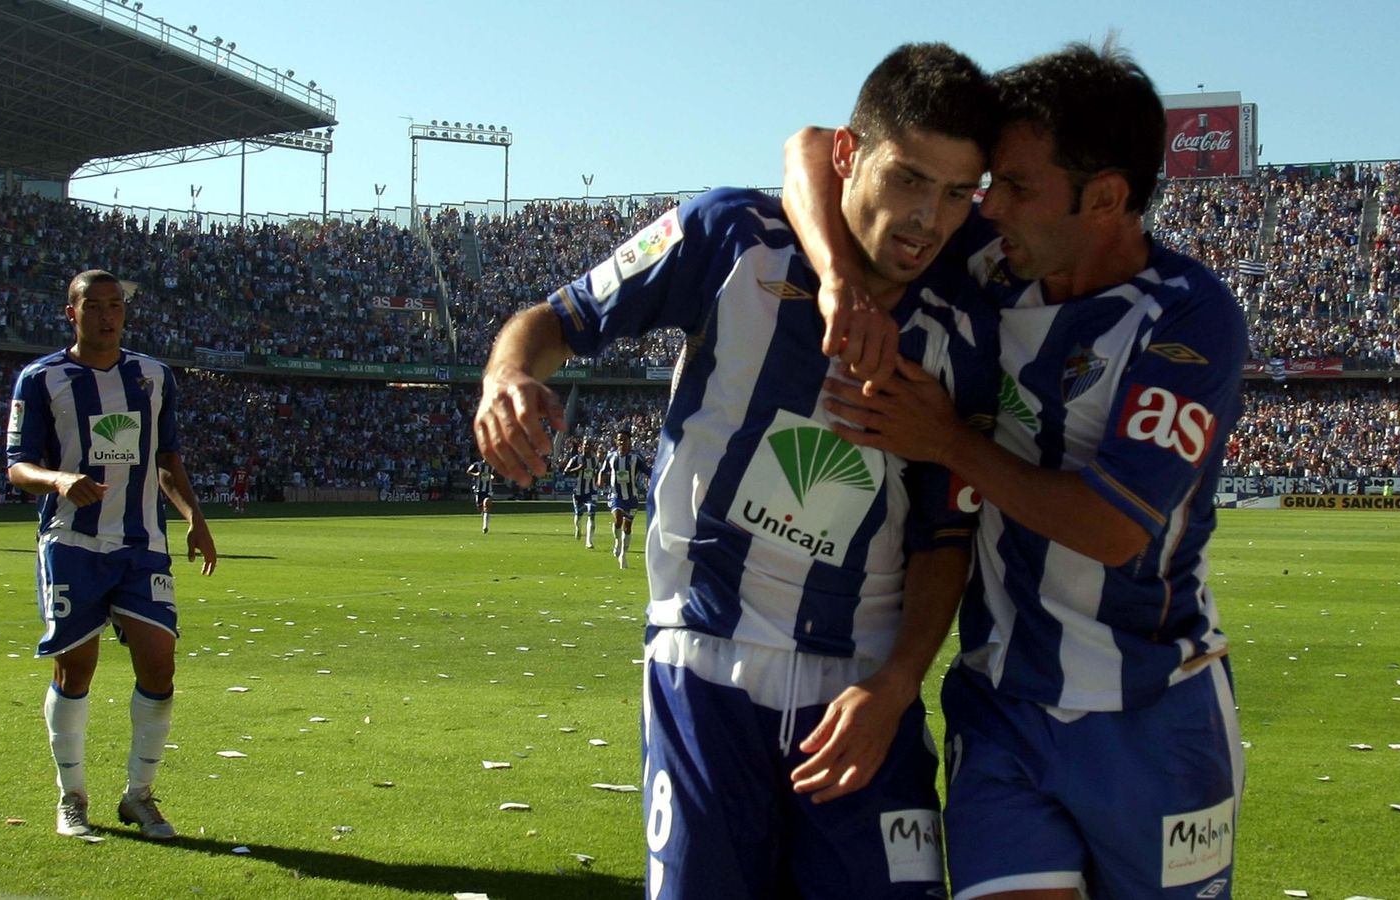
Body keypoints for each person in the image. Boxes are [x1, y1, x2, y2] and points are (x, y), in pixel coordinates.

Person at [474, 43, 1000, 900]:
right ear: (847, 155)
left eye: (954, 194)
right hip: (705, 666)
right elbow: (554, 318)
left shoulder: (967, 325)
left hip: (862, 690)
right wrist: (508, 375)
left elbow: (947, 534)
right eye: (907, 179)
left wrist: (899, 683)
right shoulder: (729, 236)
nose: (927, 219)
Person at [783, 41, 1246, 900]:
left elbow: (1113, 528)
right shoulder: (992, 269)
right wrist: (841, 281)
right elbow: (812, 147)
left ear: (1104, 198)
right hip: (1001, 709)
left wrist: (950, 443)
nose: (988, 209)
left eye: (1019, 188)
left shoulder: (1189, 318)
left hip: (1156, 714)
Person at [6, 269, 217, 841]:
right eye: (93, 305)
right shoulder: (41, 379)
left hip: (141, 543)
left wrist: (194, 517)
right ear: (70, 313)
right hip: (72, 541)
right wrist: (57, 480)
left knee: (160, 664)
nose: (106, 315)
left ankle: (139, 796)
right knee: (76, 668)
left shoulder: (153, 376)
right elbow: (16, 465)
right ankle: (71, 795)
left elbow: (166, 459)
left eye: (115, 305)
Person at [596, 429, 648, 569]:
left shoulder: (635, 458)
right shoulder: (611, 456)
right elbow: (603, 470)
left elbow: (647, 471)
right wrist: (600, 479)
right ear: (615, 441)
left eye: (624, 439)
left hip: (631, 497)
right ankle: (617, 542)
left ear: (629, 441)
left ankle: (623, 555)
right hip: (616, 496)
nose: (621, 442)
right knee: (618, 518)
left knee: (627, 527)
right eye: (619, 439)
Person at [563, 436, 599, 548]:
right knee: (578, 516)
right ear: (581, 446)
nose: (587, 446)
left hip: (591, 492)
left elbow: (598, 472)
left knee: (592, 514)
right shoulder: (575, 459)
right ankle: (578, 529)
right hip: (578, 493)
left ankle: (589, 541)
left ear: (592, 447)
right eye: (585, 444)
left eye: (589, 445)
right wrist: (578, 468)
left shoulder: (595, 460)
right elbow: (565, 472)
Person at [467, 459, 496, 533]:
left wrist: (493, 477)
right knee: (480, 508)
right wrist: (476, 474)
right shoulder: (477, 465)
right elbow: (468, 471)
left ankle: (485, 526)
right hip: (478, 490)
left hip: (488, 490)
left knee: (486, 504)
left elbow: (496, 475)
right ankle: (485, 518)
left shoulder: (493, 466)